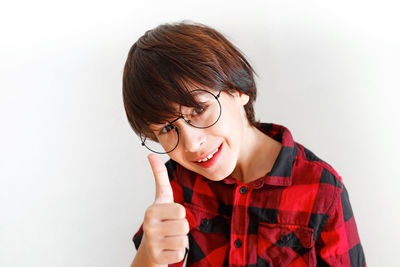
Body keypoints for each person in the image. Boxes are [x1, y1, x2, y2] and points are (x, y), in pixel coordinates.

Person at [122, 21, 366, 267]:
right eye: (166, 129)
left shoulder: (322, 189)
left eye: (198, 109)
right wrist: (148, 258)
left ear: (238, 91)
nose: (192, 143)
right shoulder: (178, 184)